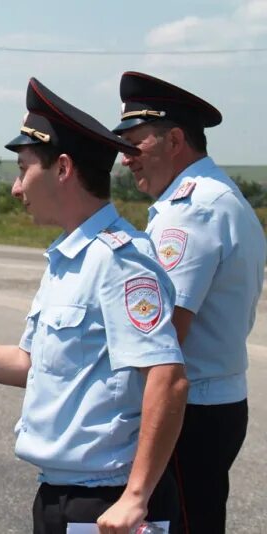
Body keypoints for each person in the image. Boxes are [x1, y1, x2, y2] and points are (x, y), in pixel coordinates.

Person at [0, 78, 189, 534]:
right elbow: (24, 364)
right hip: (61, 494)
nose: (15, 187)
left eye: (23, 169)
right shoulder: (68, 258)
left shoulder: (120, 260)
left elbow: (167, 379)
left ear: (62, 168)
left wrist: (135, 498)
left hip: (107, 500)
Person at [112, 71, 267, 533]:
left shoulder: (193, 210)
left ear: (174, 139)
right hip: (210, 402)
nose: (124, 160)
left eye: (134, 144)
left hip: (189, 411)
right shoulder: (217, 196)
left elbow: (164, 332)